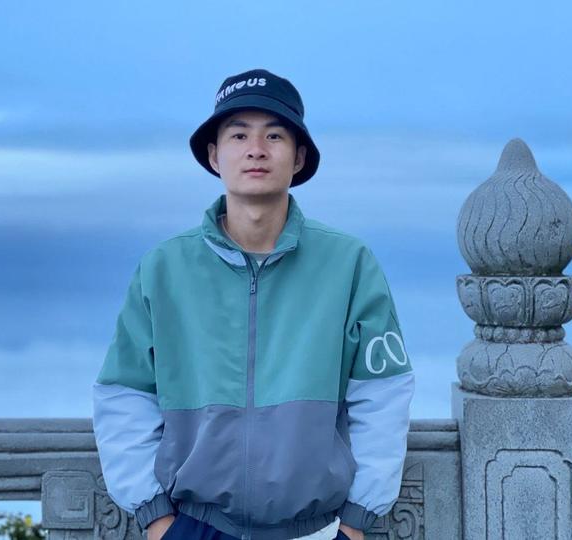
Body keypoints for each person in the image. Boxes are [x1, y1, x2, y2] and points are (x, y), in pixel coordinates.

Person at [92, 68, 415, 540]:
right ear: (214, 155)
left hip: (316, 529)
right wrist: (157, 518)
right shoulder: (163, 269)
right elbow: (124, 395)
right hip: (195, 525)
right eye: (239, 134)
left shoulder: (348, 264)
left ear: (299, 156)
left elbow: (383, 395)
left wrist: (356, 520)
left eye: (275, 135)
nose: (256, 149)